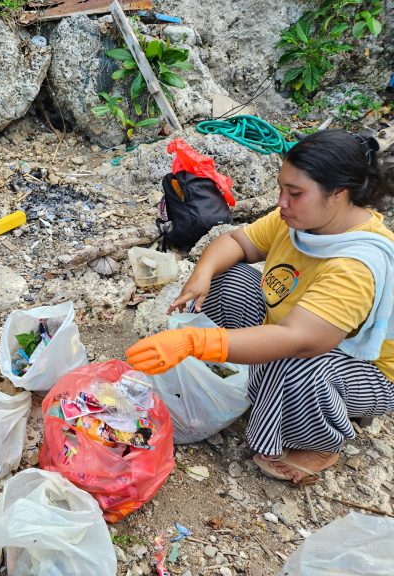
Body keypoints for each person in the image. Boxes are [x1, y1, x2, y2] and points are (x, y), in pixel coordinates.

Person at [126, 129, 394, 485]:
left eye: (295, 193)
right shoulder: (300, 220)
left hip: (362, 368)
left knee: (297, 365)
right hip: (294, 327)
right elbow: (238, 241)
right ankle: (259, 388)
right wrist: (203, 273)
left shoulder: (355, 265)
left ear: (338, 194)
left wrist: (194, 342)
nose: (281, 201)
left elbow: (299, 340)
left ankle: (320, 442)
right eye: (282, 188)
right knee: (230, 279)